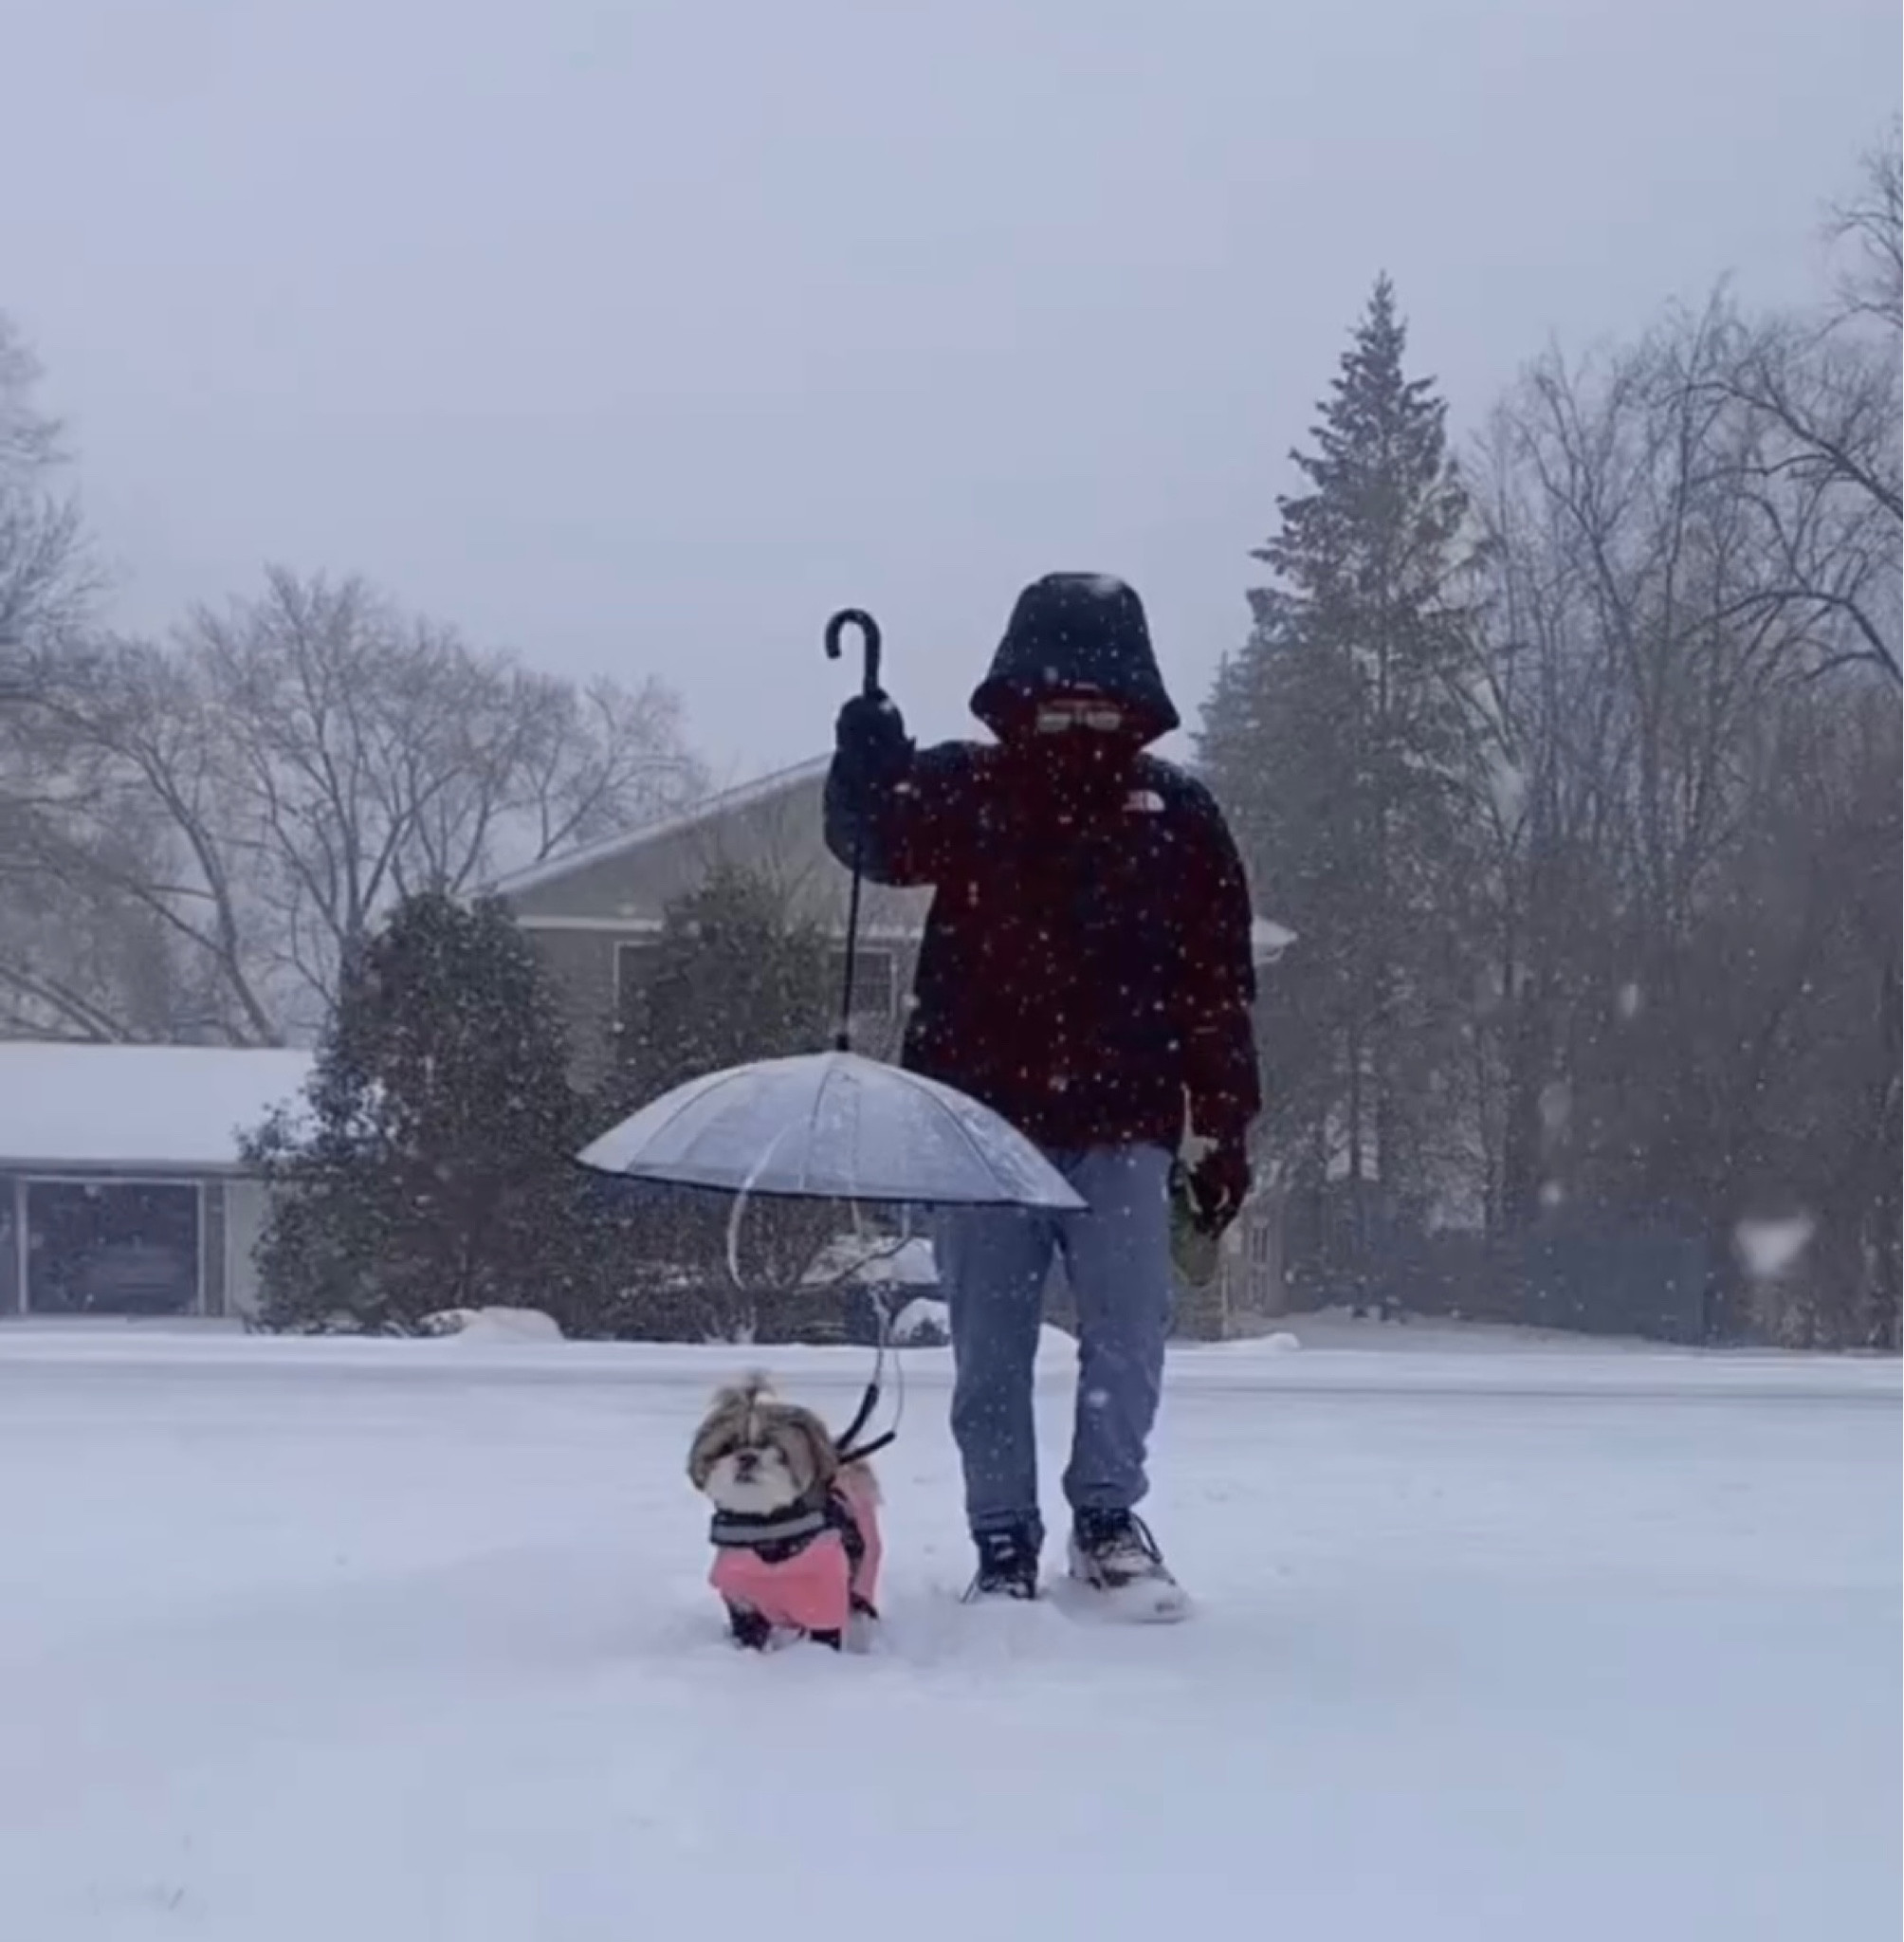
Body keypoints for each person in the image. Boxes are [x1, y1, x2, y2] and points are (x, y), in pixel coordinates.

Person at [824, 572, 1261, 1609]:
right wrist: (865, 758)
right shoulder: (963, 790)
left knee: (1128, 1332)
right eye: (1056, 703)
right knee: (990, 1351)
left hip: (1126, 1121)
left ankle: (1106, 1519)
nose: (1075, 725)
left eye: (1098, 706)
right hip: (976, 1125)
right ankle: (1003, 1540)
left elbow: (1217, 985)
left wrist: (1226, 1125)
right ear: (1016, 696)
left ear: (1136, 702)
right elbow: (873, 842)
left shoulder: (1179, 814)